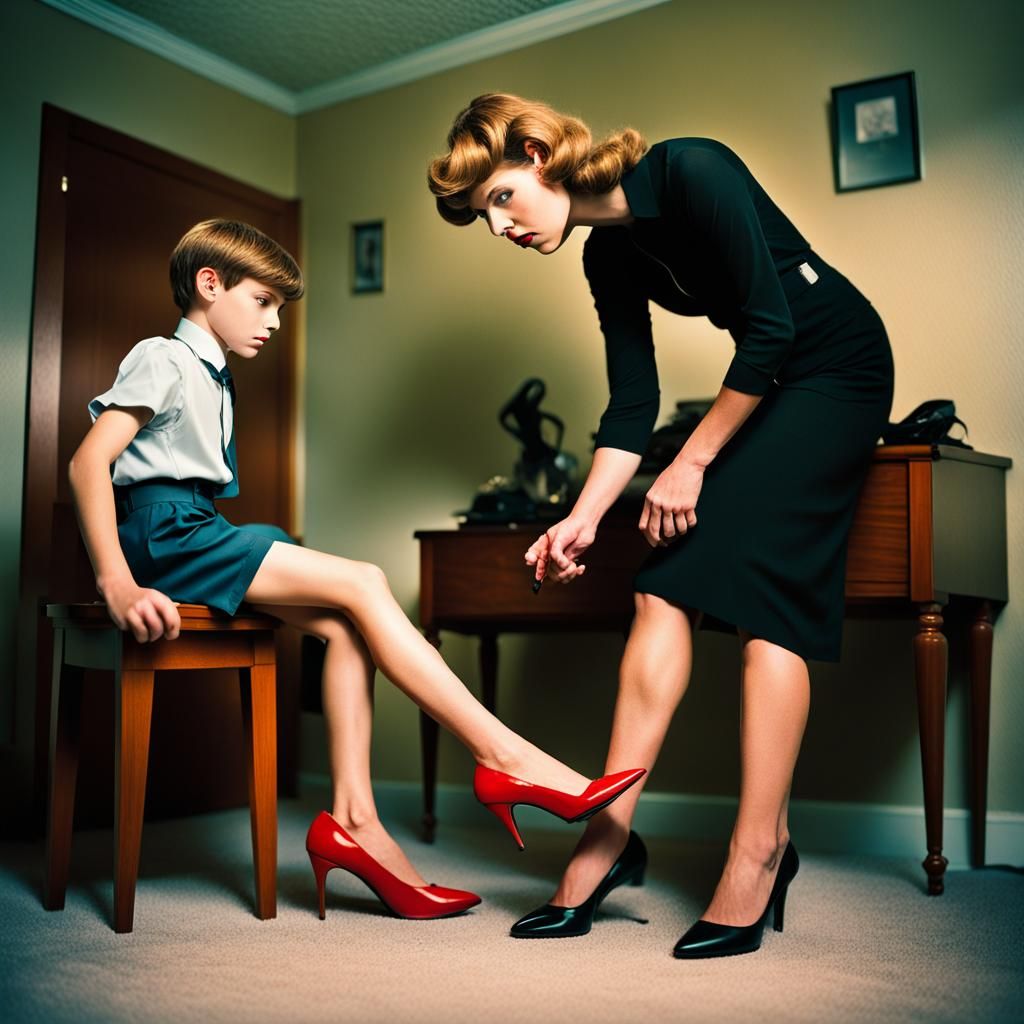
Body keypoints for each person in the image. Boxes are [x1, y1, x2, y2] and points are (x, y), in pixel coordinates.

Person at [68, 218, 644, 922]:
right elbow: (88, 462)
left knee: (346, 629)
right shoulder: (162, 356)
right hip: (164, 537)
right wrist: (117, 582)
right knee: (366, 581)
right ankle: (505, 756)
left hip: (197, 530)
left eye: (280, 309)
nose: (274, 323)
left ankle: (357, 826)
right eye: (263, 302)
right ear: (208, 284)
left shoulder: (214, 376)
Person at [429, 94, 894, 956]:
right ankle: (603, 843)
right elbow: (632, 407)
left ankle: (758, 855)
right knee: (658, 591)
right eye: (480, 219)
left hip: (837, 370)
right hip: (771, 383)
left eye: (498, 199)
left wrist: (693, 461)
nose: (500, 229)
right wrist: (579, 519)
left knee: (768, 607)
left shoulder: (692, 168)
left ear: (537, 152)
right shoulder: (608, 257)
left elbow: (769, 329)